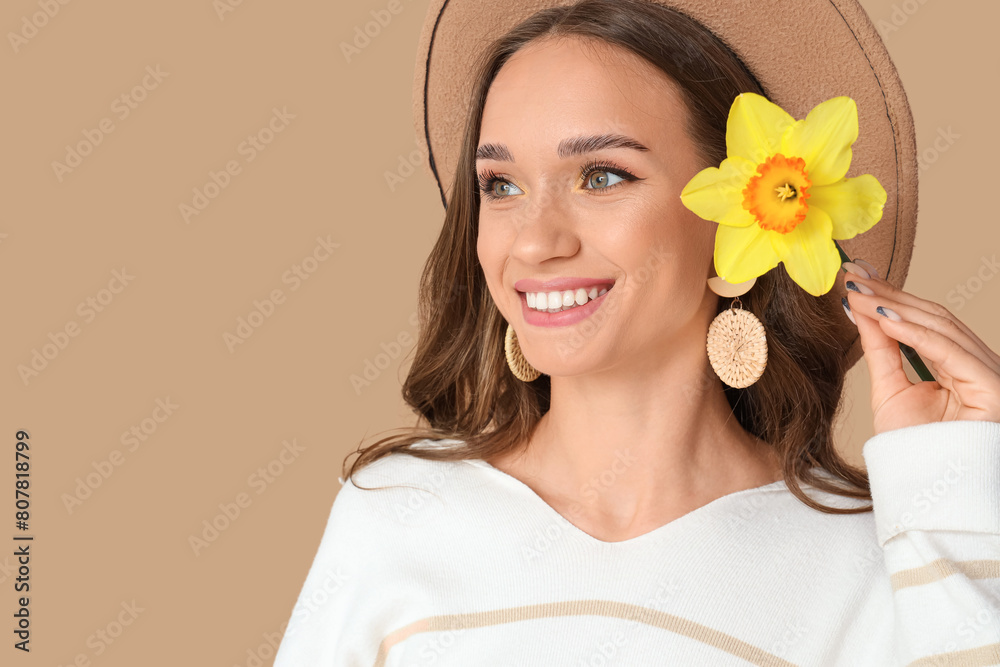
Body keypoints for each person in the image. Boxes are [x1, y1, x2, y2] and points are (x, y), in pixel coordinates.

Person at [274, 1, 1000, 664]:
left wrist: (956, 488)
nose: (534, 242)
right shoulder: (397, 514)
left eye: (601, 176)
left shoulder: (871, 562)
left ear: (733, 227)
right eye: (501, 186)